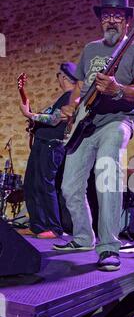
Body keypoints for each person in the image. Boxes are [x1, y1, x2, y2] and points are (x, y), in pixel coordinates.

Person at [53, 0, 134, 272]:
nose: (111, 20)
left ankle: (109, 246)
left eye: (117, 15)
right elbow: (80, 86)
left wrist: (118, 89)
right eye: (107, 15)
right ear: (101, 19)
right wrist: (72, 107)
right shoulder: (90, 49)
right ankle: (83, 236)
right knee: (69, 185)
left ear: (127, 20)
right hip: (85, 124)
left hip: (117, 120)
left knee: (107, 170)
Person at [19, 62, 77, 239]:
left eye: (58, 76)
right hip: (41, 143)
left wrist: (31, 115)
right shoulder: (62, 98)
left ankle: (54, 227)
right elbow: (45, 117)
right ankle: (37, 226)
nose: (57, 79)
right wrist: (32, 115)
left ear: (64, 77)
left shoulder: (72, 97)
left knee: (45, 185)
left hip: (52, 145)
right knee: (30, 184)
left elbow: (54, 119)